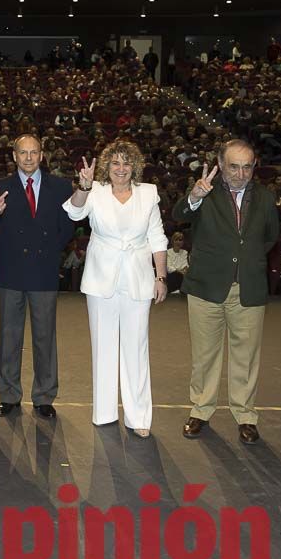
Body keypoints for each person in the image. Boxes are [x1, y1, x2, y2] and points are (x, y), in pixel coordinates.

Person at [172, 139, 280, 446]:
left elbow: (271, 237)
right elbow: (180, 214)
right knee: (204, 355)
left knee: (246, 357)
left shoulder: (266, 198)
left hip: (249, 287)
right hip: (206, 286)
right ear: (220, 163)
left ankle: (245, 415)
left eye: (247, 167)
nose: (241, 173)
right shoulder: (205, 192)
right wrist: (194, 196)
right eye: (234, 166)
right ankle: (201, 410)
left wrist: (249, 260)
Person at [63, 143, 168, 435]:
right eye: (114, 164)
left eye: (126, 163)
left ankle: (139, 419)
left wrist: (161, 277)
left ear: (135, 166)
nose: (120, 169)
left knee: (137, 347)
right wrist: (83, 186)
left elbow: (157, 237)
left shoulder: (148, 193)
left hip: (138, 278)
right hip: (101, 278)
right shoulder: (94, 191)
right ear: (106, 168)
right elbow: (74, 214)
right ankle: (104, 412)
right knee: (103, 345)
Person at [0, 134, 75, 419]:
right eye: (22, 153)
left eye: (33, 152)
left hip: (44, 272)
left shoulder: (61, 187)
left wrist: (50, 251)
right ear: (14, 156)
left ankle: (44, 396)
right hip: (12, 272)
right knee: (9, 337)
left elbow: (69, 227)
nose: (28, 158)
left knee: (44, 338)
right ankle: (9, 395)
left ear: (42, 154)